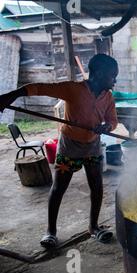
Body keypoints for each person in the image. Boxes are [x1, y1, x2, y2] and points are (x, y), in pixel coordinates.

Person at [0, 54, 119, 248]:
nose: (115, 80)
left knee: (97, 187)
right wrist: (9, 96)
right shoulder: (73, 89)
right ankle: (51, 232)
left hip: (93, 146)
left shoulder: (108, 97)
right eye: (112, 76)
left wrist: (107, 127)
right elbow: (38, 88)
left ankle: (94, 227)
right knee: (58, 188)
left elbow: (112, 121)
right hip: (70, 146)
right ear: (97, 74)